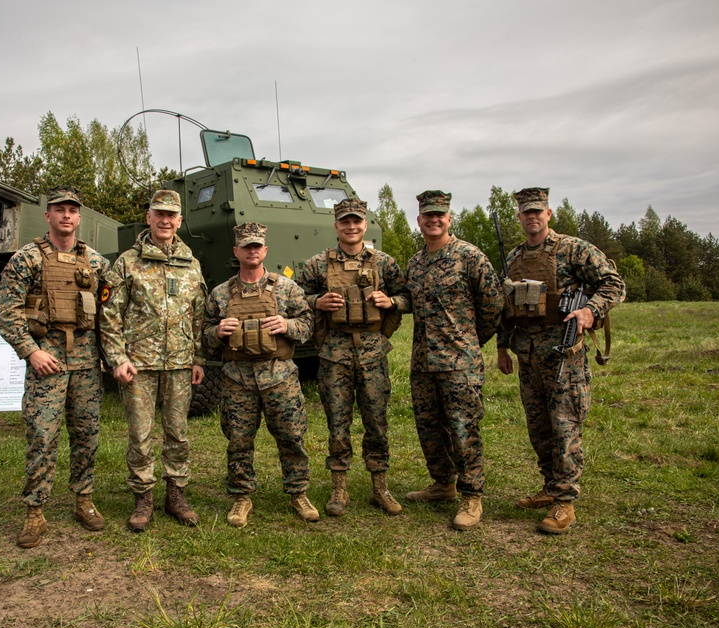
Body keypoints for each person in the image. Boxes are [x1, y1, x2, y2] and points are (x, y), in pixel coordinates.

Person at [497, 187, 625, 534]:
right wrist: (502, 347)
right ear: (520, 217)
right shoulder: (514, 256)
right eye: (526, 212)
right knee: (539, 429)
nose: (532, 217)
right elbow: (507, 308)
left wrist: (589, 310)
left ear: (548, 214)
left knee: (564, 427)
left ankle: (565, 502)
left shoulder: (574, 249)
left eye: (538, 211)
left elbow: (613, 284)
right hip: (528, 358)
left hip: (564, 357)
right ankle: (550, 487)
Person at [0, 186, 110, 549]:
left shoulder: (95, 262)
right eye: (59, 209)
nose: (66, 215)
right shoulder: (26, 259)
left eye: (72, 210)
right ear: (47, 215)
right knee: (42, 436)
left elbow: (116, 306)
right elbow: (7, 313)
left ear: (80, 218)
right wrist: (31, 352)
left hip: (87, 362)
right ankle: (35, 512)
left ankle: (83, 500)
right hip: (48, 359)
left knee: (86, 435)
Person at [98, 190, 206, 532]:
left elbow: (198, 317)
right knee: (140, 435)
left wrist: (198, 358)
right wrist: (117, 357)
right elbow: (109, 315)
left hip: (178, 364)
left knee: (178, 433)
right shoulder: (128, 262)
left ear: (179, 221)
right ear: (148, 218)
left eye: (172, 214)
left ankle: (176, 494)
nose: (165, 219)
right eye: (159, 213)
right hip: (138, 365)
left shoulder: (192, 263)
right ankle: (143, 498)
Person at [296, 197, 407, 517]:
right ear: (336, 226)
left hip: (373, 353)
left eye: (357, 221)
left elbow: (407, 296)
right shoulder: (318, 263)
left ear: (365, 224)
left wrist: (390, 301)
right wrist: (318, 301)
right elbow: (295, 297)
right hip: (334, 354)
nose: (351, 226)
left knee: (377, 422)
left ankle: (380, 488)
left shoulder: (383, 262)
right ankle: (339, 488)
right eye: (345, 221)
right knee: (338, 423)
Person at [203, 222, 318, 528]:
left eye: (257, 246)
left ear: (265, 250)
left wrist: (287, 326)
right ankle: (241, 496)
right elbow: (203, 333)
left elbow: (308, 324)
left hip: (279, 376)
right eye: (246, 246)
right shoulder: (220, 294)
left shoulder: (287, 288)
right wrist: (217, 331)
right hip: (237, 379)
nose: (252, 251)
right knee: (238, 440)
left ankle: (298, 494)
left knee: (292, 437)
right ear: (236, 251)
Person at [402, 190, 503, 530]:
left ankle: (472, 495)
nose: (433, 220)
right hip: (423, 362)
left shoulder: (469, 256)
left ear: (449, 219)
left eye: (439, 215)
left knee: (463, 429)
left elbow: (492, 305)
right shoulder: (415, 263)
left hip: (460, 361)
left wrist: (470, 342)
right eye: (427, 215)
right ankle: (443, 484)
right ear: (419, 221)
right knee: (429, 427)